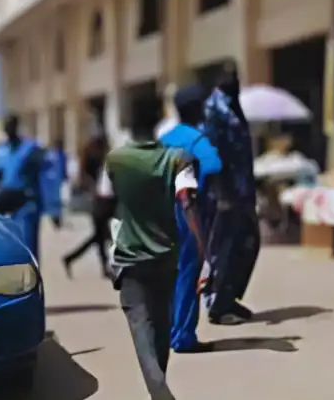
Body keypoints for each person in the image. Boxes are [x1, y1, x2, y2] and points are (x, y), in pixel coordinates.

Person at [105, 98, 196, 400]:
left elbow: (105, 203)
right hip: (166, 256)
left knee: (143, 334)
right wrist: (202, 245)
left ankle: (160, 394)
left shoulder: (115, 160)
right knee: (161, 328)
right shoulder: (177, 158)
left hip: (130, 257)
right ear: (158, 119)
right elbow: (187, 202)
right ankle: (159, 391)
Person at [158, 84, 223, 353]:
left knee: (170, 274)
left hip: (162, 210)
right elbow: (214, 166)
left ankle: (170, 329)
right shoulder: (198, 139)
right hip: (189, 210)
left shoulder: (165, 138)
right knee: (189, 271)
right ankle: (183, 336)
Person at [200, 63, 261, 325]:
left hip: (242, 189)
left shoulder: (232, 105)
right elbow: (212, 152)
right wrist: (221, 190)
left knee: (247, 243)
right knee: (225, 248)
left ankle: (229, 297)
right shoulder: (214, 110)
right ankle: (218, 305)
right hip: (225, 193)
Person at [0, 115, 61, 261]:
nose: (8, 129)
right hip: (7, 203)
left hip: (27, 204)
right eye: (6, 126)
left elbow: (47, 179)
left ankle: (31, 273)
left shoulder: (31, 149)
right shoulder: (2, 150)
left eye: (11, 126)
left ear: (16, 127)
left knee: (27, 247)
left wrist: (54, 208)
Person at [62, 133, 114, 279]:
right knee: (101, 237)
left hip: (99, 201)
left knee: (100, 237)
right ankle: (71, 258)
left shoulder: (93, 160)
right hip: (103, 202)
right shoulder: (96, 160)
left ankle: (71, 258)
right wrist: (93, 189)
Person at [45, 138, 69, 228]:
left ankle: (56, 219)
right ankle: (56, 219)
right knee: (56, 200)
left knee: (57, 200)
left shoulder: (54, 155)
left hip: (55, 180)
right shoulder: (58, 155)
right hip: (56, 180)